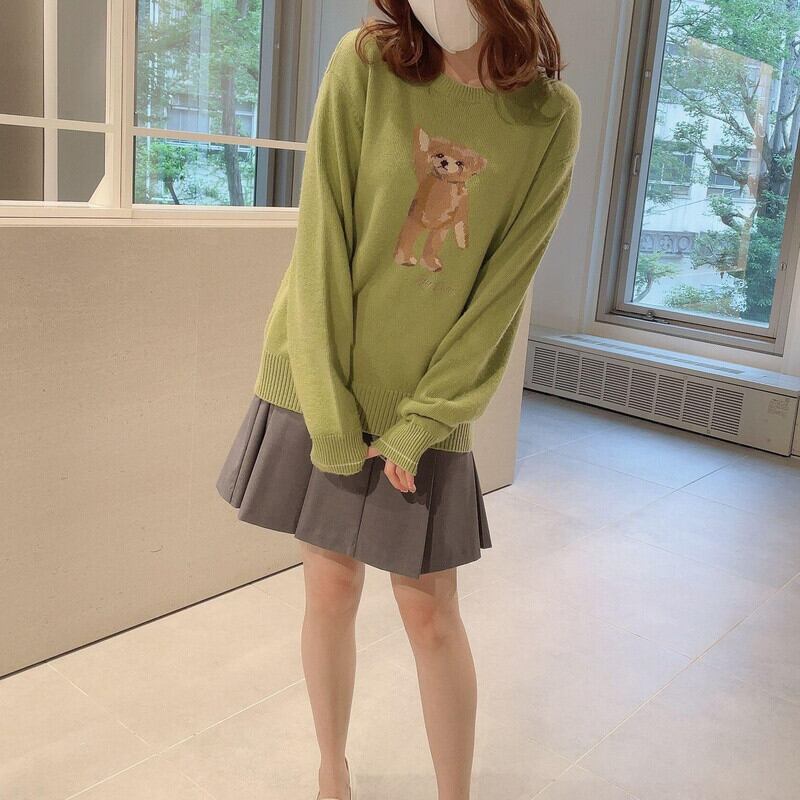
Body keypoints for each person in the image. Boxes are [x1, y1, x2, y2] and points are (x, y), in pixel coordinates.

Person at [216, 1, 581, 797]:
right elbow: (321, 242)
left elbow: (500, 294)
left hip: (430, 398)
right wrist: (328, 411)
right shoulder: (366, 64)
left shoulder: (548, 117)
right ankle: (332, 773)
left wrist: (421, 423)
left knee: (429, 612)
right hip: (321, 374)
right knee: (330, 588)